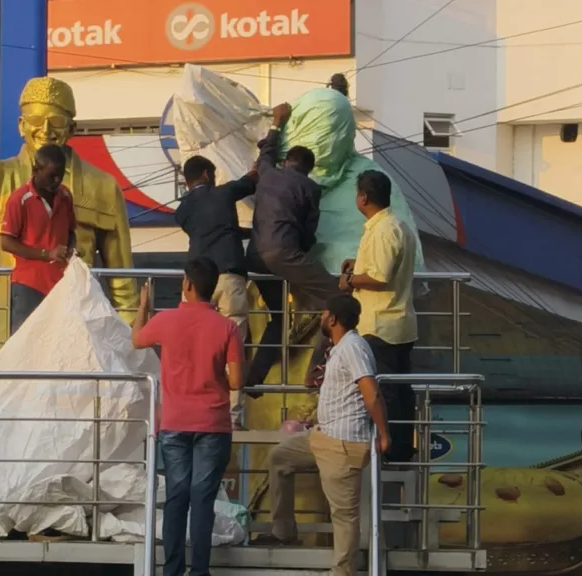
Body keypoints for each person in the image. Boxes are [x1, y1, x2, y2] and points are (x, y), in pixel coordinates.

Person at [0, 51, 138, 369]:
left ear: (72, 129)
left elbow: (123, 283)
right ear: (21, 126)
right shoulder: (1, 178)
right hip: (15, 317)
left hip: (78, 320)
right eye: (35, 120)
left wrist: (129, 345)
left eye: (56, 121)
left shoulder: (103, 187)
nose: (45, 129)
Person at [257, 294, 391, 576]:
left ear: (332, 319)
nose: (321, 317)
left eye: (324, 313)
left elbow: (372, 393)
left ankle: (342, 572)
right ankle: (283, 531)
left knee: (344, 515)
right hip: (323, 435)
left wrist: (383, 434)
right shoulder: (339, 347)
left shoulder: (353, 347)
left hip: (342, 443)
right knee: (280, 458)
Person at [132, 257, 244, 576]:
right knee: (202, 500)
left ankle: (172, 570)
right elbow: (237, 381)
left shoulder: (166, 320)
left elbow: (136, 339)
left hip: (175, 423)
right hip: (213, 425)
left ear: (187, 284)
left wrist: (144, 307)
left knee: (177, 498)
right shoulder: (228, 328)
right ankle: (200, 571)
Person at [245, 103, 340, 386]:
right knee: (336, 298)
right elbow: (308, 235)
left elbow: (267, 151)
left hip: (255, 257)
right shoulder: (311, 189)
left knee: (279, 316)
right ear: (308, 169)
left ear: (287, 161)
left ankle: (254, 380)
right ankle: (316, 372)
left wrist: (277, 122)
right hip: (284, 253)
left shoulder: (267, 173)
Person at [339, 170, 419, 463]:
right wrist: (357, 264)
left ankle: (391, 452)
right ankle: (399, 449)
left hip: (381, 324)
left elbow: (380, 277)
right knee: (398, 390)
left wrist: (349, 281)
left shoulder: (384, 230)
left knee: (385, 392)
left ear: (363, 198)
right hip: (397, 322)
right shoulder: (393, 225)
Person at [174, 155, 256, 428]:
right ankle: (231, 418)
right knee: (234, 346)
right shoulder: (223, 193)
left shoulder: (182, 210)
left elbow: (206, 228)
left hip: (197, 281)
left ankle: (195, 411)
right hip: (229, 276)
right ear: (207, 175)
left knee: (194, 347)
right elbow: (252, 180)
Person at [0, 144, 77, 334]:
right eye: (51, 176)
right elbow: (6, 242)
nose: (56, 181)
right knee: (25, 342)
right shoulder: (19, 199)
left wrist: (72, 250)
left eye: (60, 175)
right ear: (36, 171)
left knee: (58, 342)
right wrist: (47, 254)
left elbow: (71, 231)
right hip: (29, 285)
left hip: (61, 284)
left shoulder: (66, 196)